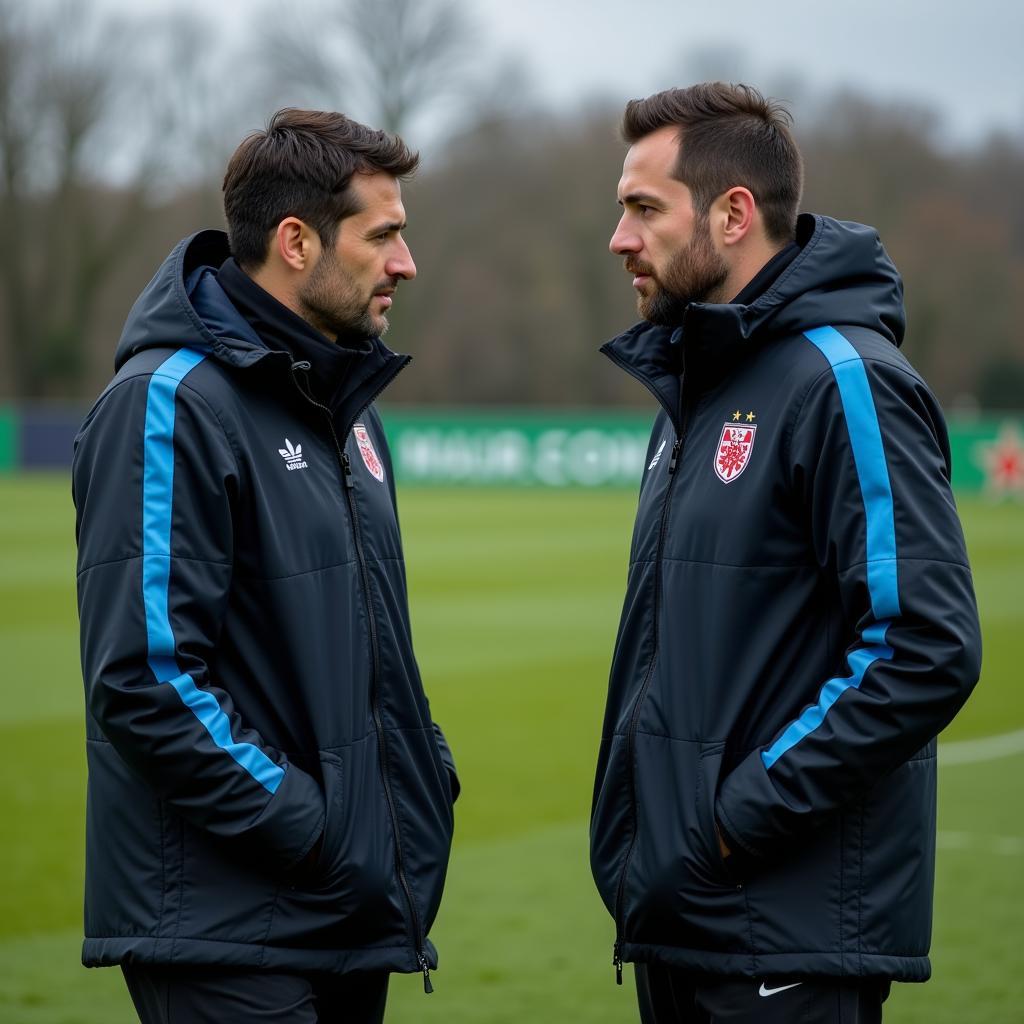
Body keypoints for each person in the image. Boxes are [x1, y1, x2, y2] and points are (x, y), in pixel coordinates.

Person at [589, 83, 981, 1024]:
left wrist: (732, 822)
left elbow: (924, 643)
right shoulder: (697, 389)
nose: (619, 238)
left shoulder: (846, 381)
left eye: (644, 208)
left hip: (784, 927)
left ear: (733, 214)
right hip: (686, 913)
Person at [73, 108, 458, 1024]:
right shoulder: (168, 403)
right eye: (384, 235)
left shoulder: (348, 407)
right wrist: (311, 826)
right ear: (295, 241)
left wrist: (417, 780)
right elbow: (145, 679)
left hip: (343, 908)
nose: (405, 263)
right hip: (226, 928)